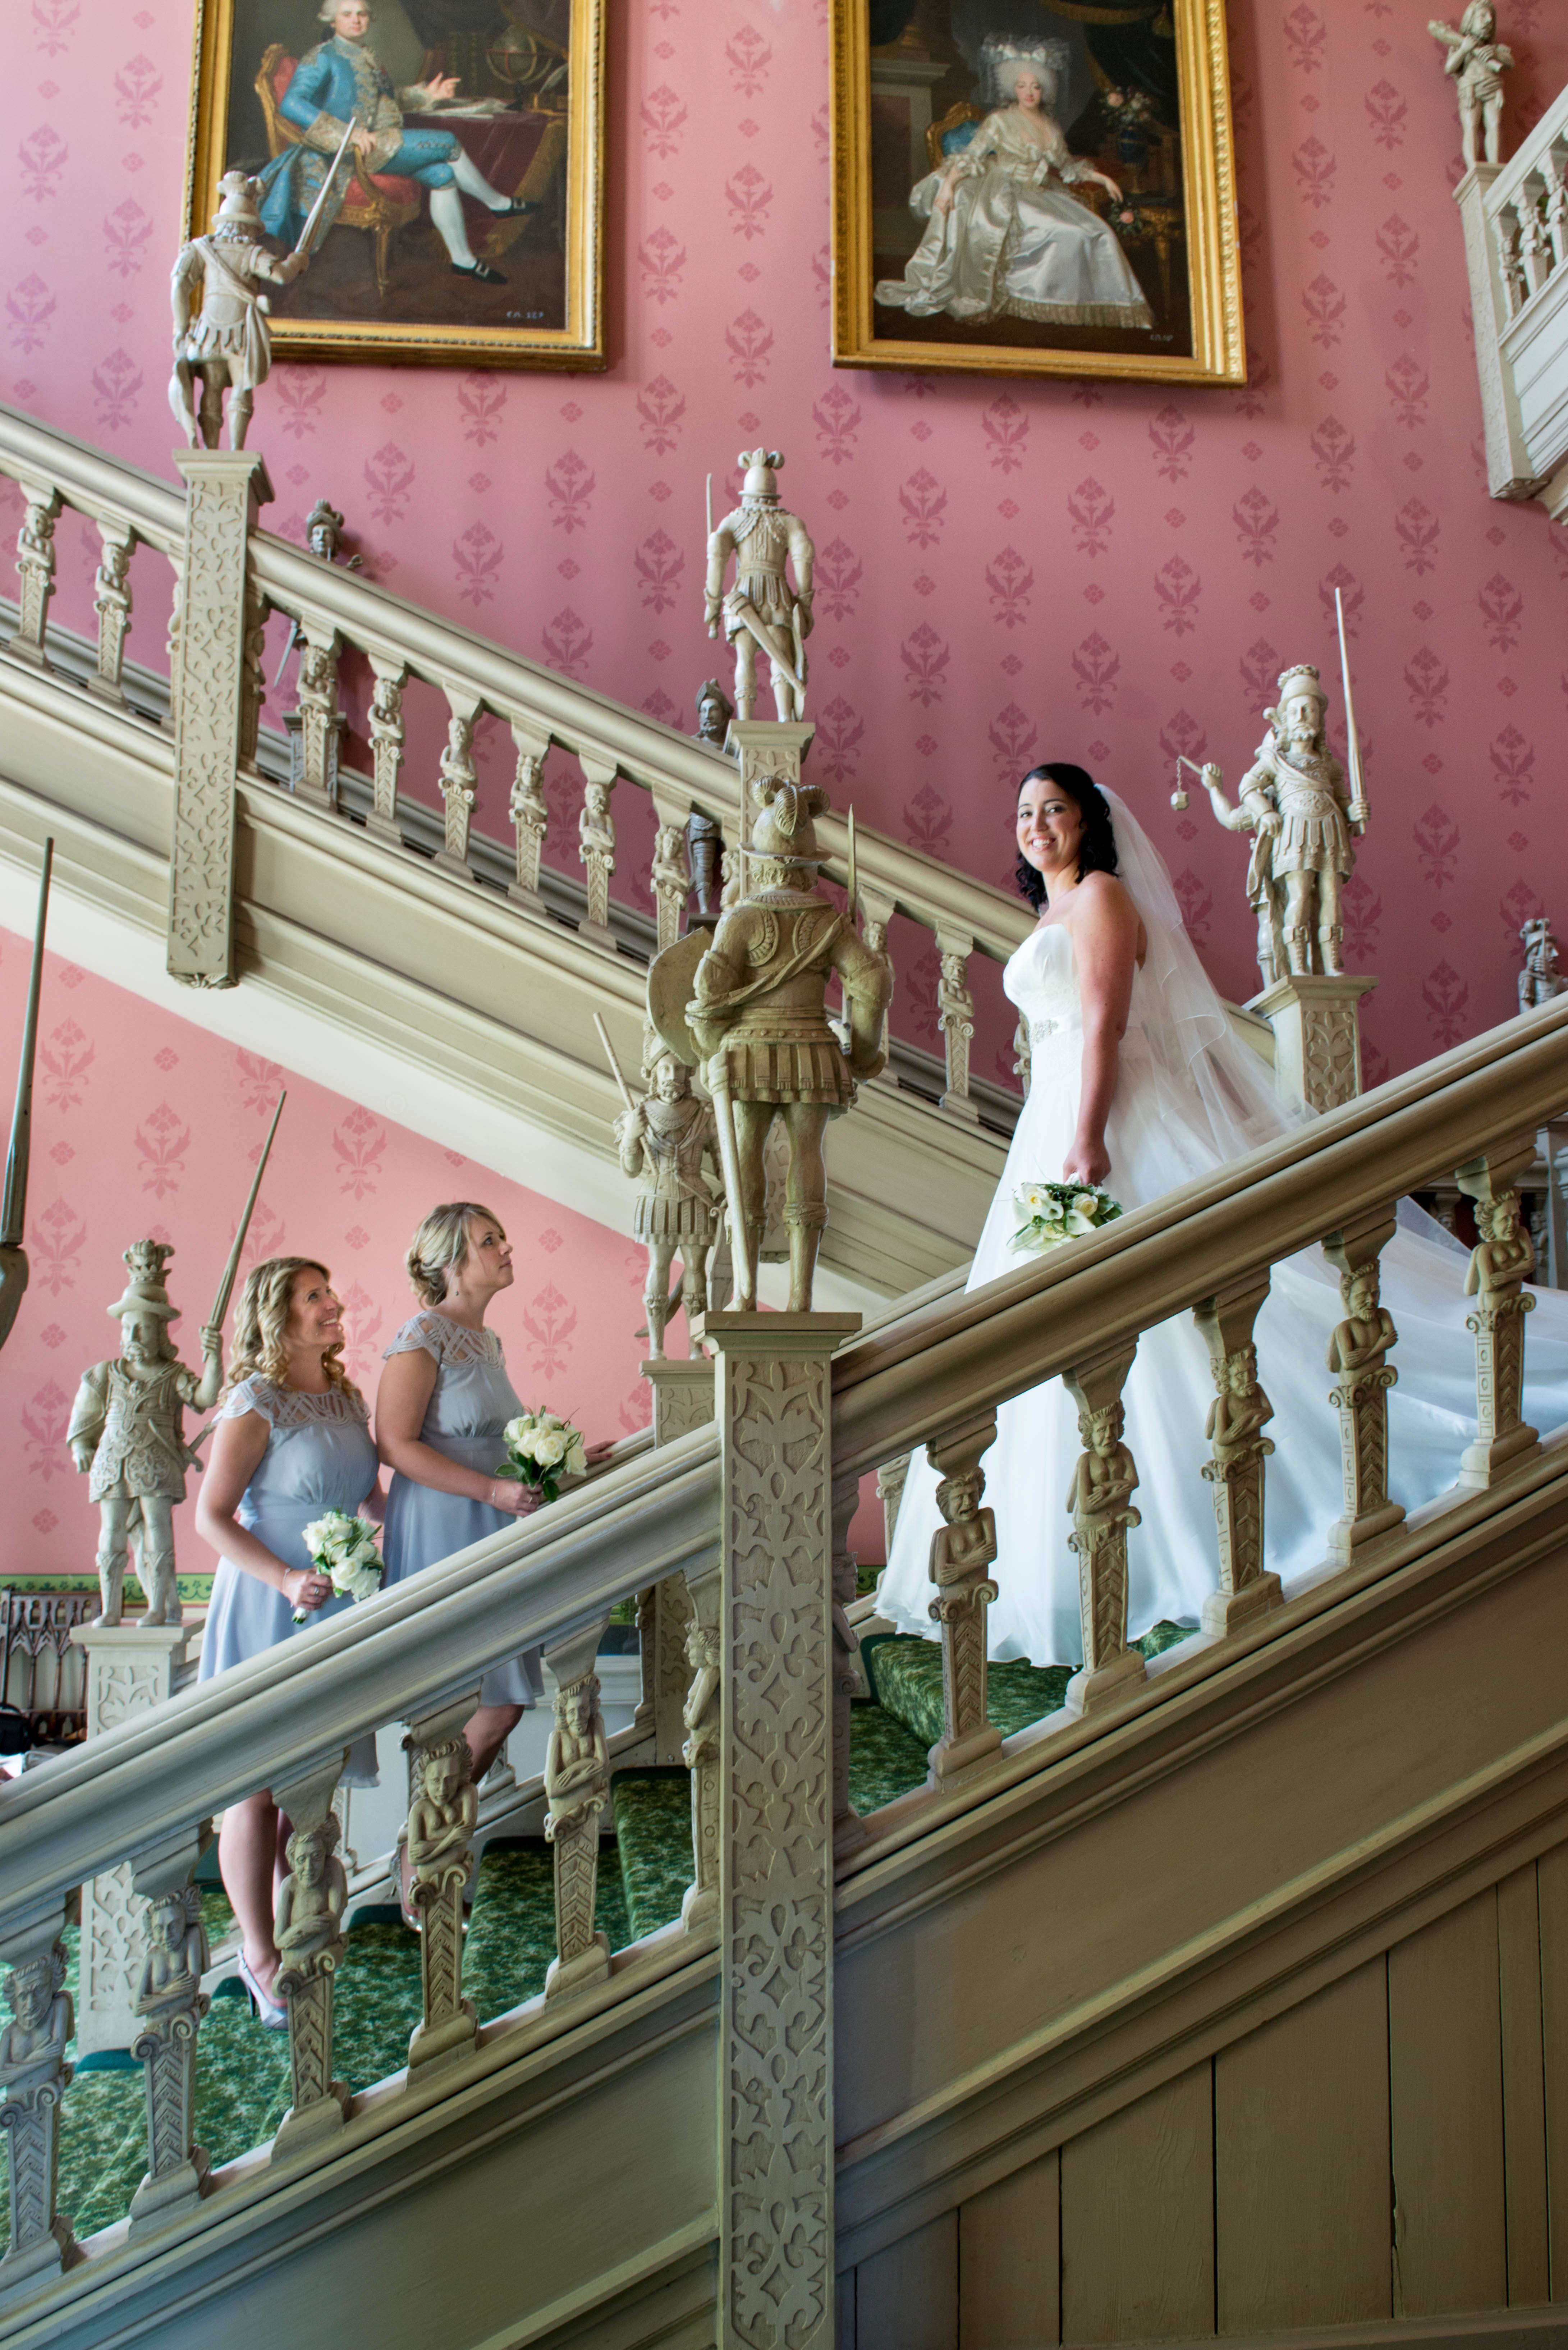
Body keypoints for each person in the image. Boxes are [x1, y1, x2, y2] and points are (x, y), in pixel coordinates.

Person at [877, 764, 1568, 1668]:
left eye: (1054, 808)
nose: (1037, 824)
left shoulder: (1102, 897)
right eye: (1024, 812)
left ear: (1087, 820)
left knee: (1196, 1311)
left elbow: (1103, 1022)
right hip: (1051, 1117)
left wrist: (1085, 1140)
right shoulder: (1052, 912)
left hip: (1103, 1119)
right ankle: (1107, 1552)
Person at [194, 1257, 382, 2026]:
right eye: (316, 1297)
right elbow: (212, 1515)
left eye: (331, 1292)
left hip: (336, 1605)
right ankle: (257, 1953)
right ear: (280, 1314)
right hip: (269, 1603)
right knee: (255, 1784)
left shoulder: (345, 1396)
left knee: (302, 1787)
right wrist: (281, 1579)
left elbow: (370, 1497)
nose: (334, 1304)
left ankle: (289, 1919)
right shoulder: (254, 1402)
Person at [377, 1204, 610, 1786]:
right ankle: (421, 1852)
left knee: (502, 1700)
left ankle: (427, 1842)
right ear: (452, 1264)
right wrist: (491, 1490)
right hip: (444, 1528)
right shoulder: (421, 1336)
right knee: (465, 1703)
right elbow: (394, 1444)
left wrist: (570, 1463)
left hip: (495, 1521)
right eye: (489, 1241)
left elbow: (501, 1440)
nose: (507, 1248)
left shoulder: (486, 1341)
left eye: (503, 1238)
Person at [875, 40, 1153, 333]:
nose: (1029, 93)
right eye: (1022, 86)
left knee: (1097, 231)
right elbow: (972, 157)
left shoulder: (1051, 127)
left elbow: (1068, 166)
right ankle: (1030, 296)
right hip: (1002, 190)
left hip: (1040, 190)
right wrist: (948, 187)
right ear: (1013, 89)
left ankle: (1097, 303)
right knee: (1061, 231)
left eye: (1035, 86)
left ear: (1044, 90)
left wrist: (1104, 179)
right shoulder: (999, 121)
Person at [257, 0, 532, 287]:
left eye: (362, 14)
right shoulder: (322, 56)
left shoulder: (367, 56)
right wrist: (348, 135)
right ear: (332, 21)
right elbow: (291, 104)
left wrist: (428, 95)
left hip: (380, 142)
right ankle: (499, 204)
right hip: (350, 151)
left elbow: (389, 103)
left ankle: (463, 261)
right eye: (347, 15)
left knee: (443, 175)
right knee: (447, 142)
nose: (356, 21)